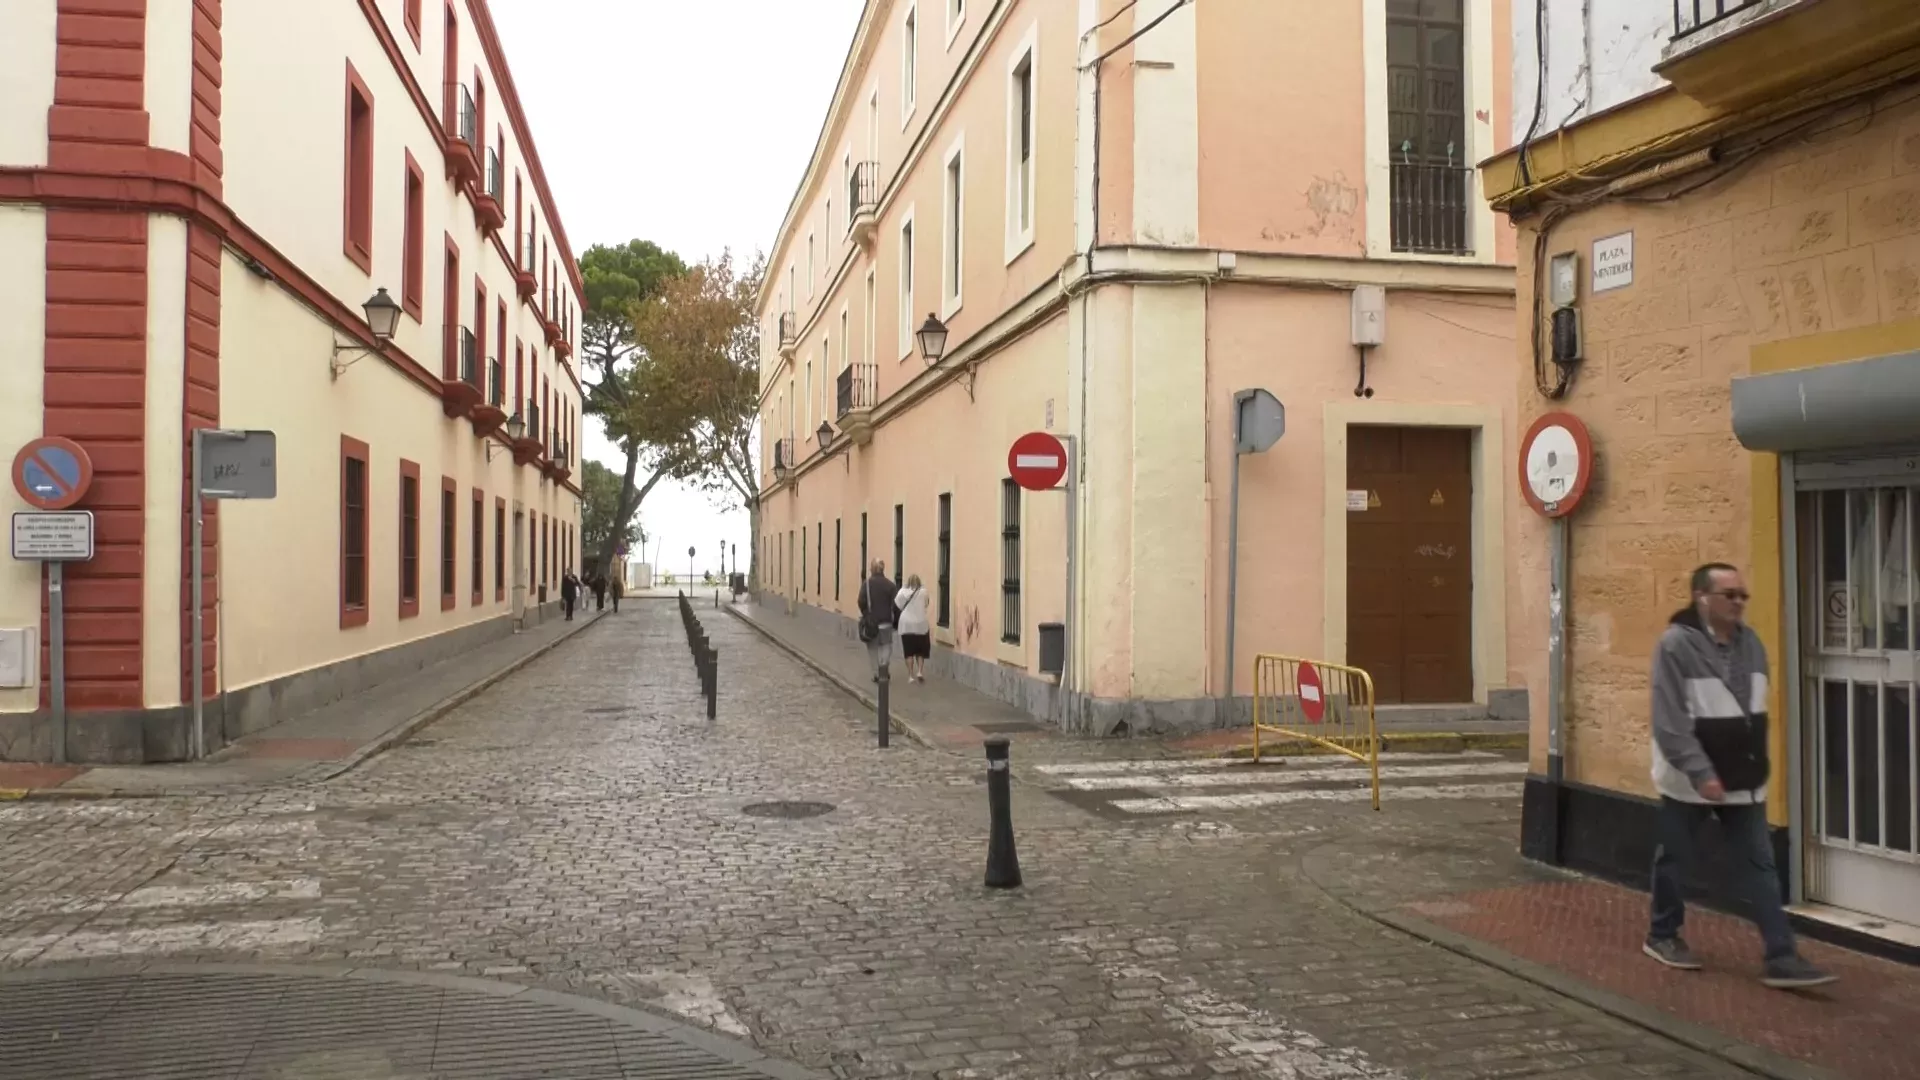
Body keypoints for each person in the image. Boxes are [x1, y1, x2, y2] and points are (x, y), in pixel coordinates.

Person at [1644, 562, 1834, 990]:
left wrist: (1755, 766)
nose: (1739, 603)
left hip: (1744, 780)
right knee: (1675, 858)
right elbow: (1669, 721)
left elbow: (1755, 714)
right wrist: (1701, 771)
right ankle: (1662, 934)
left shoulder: (1752, 644)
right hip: (1689, 779)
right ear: (1702, 598)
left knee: (1760, 865)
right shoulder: (1676, 646)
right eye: (1729, 595)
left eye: (1742, 595)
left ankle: (1781, 955)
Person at [855, 559, 897, 684]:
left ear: (872, 569)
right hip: (886, 622)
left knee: (872, 649)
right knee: (886, 646)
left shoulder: (866, 584)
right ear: (882, 569)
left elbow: (861, 601)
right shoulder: (890, 585)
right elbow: (895, 605)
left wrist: (866, 613)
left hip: (871, 623)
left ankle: (876, 673)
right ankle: (884, 668)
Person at [894, 573, 932, 683]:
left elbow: (897, 605)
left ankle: (910, 675)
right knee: (920, 651)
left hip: (906, 625)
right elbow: (926, 604)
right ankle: (919, 671)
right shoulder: (924, 592)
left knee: (909, 651)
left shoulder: (902, 592)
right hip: (920, 624)